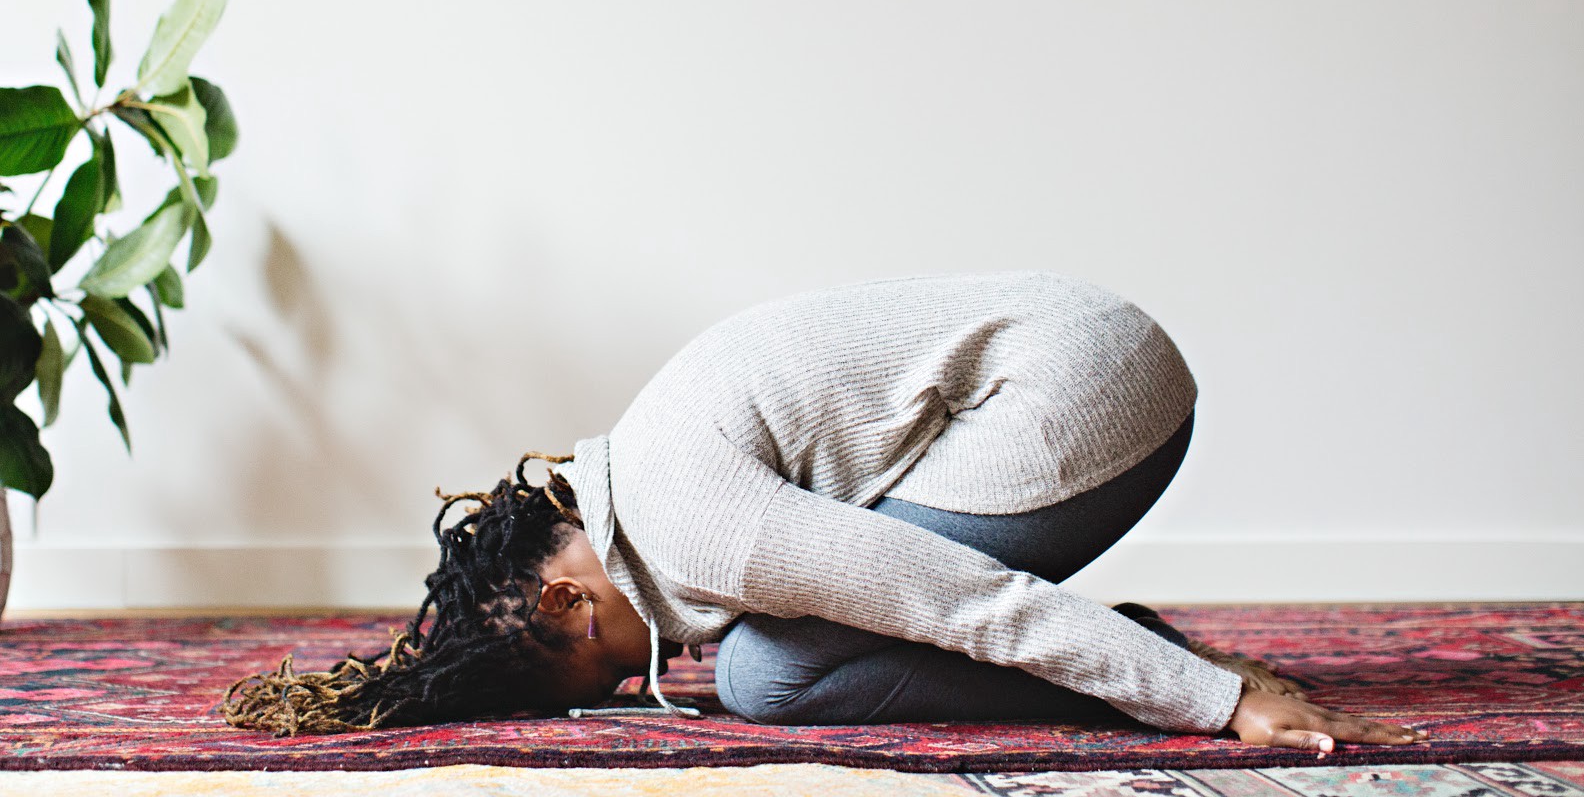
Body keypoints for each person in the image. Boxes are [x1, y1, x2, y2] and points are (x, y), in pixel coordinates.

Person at [226, 270, 1430, 754]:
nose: (632, 685)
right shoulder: (643, 475)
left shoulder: (693, 523)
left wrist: (1215, 706)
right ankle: (1142, 654)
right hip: (1084, 362)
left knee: (768, 677)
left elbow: (962, 600)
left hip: (1090, 398)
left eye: (600, 674)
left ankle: (1154, 669)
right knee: (768, 657)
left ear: (565, 601)